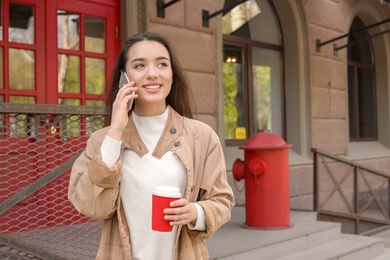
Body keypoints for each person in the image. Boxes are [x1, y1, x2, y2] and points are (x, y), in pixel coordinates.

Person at [68, 31, 235, 260]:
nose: (152, 74)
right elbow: (91, 206)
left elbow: (222, 202)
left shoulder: (202, 137)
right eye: (139, 65)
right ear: (124, 78)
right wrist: (116, 130)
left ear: (172, 75)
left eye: (162, 64)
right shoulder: (103, 140)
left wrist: (195, 212)